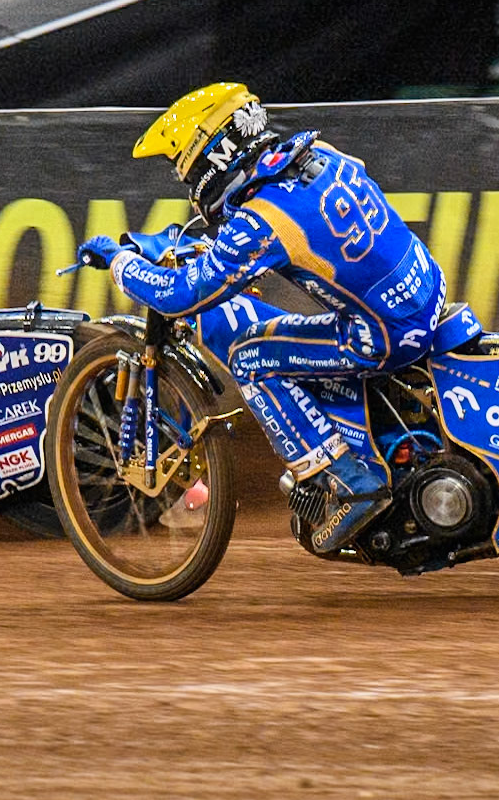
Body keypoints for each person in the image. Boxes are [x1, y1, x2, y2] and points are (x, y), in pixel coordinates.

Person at [78, 82, 447, 554]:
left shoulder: (262, 217)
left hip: (383, 334)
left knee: (251, 356)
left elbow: (181, 295)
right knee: (288, 332)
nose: (187, 184)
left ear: (210, 154)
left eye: (183, 168)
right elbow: (246, 248)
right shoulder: (318, 157)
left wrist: (120, 263)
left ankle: (350, 481)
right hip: (424, 294)